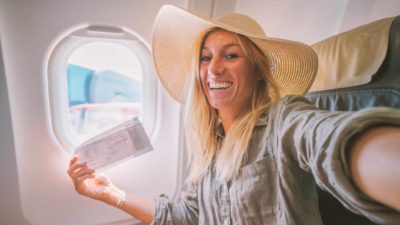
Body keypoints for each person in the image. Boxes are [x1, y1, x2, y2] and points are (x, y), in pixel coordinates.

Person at [67, 5, 400, 225]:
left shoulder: (282, 120)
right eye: (205, 57)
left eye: (230, 55)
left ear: (257, 70)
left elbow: (329, 141)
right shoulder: (208, 155)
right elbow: (184, 216)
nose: (213, 68)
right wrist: (112, 194)